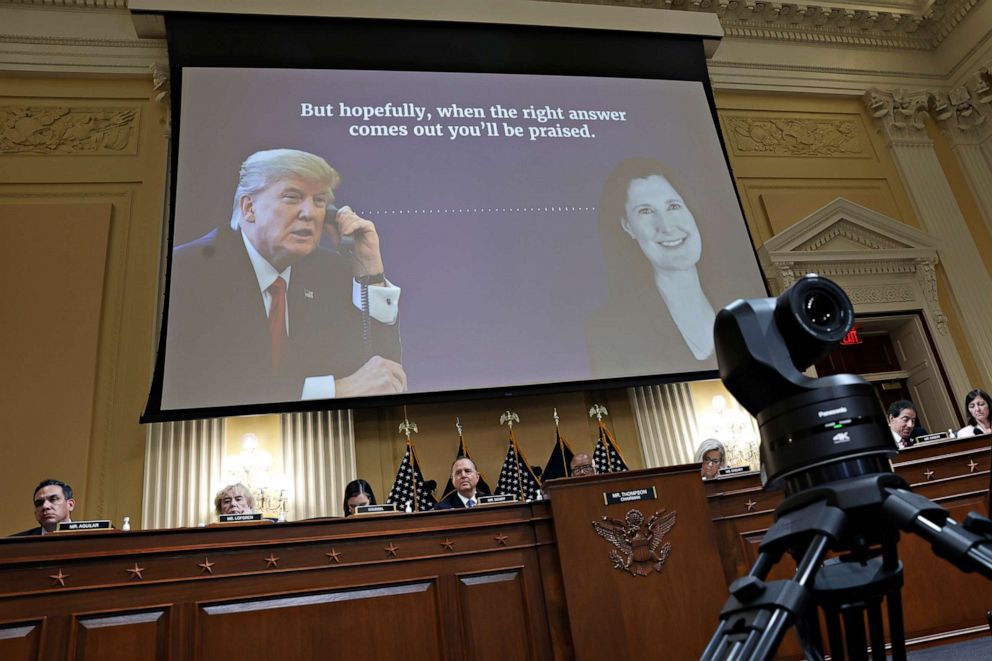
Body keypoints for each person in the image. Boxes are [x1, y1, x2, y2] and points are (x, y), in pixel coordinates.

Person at [164, 148, 405, 409]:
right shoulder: (190, 270)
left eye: (320, 201)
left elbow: (383, 376)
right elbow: (203, 384)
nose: (309, 213)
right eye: (292, 197)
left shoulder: (329, 271)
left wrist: (370, 270)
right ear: (249, 208)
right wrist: (335, 390)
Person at [587, 157, 716, 377]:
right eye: (645, 211)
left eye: (673, 206)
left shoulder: (746, 296)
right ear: (628, 227)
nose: (666, 226)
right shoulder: (609, 330)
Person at [10, 479, 75, 536]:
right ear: (35, 513)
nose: (45, 506)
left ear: (70, 505)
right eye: (39, 503)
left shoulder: (84, 538)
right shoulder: (14, 543)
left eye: (53, 499)